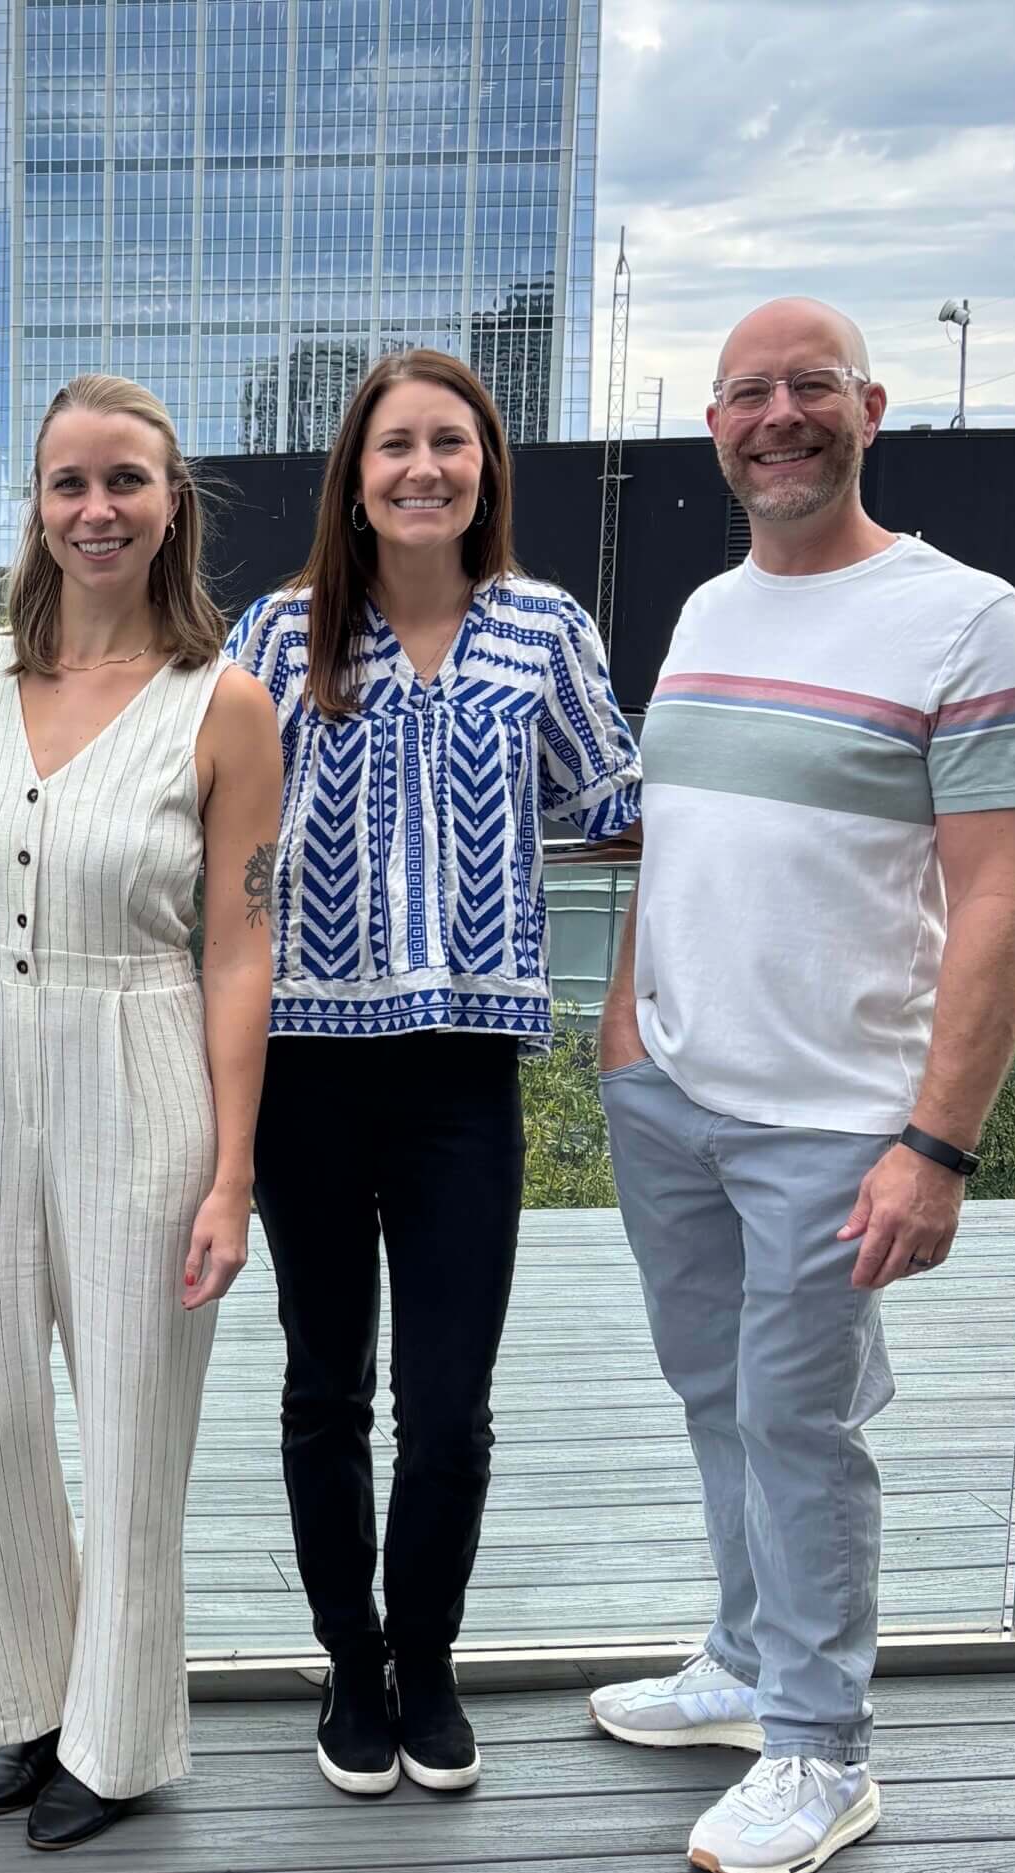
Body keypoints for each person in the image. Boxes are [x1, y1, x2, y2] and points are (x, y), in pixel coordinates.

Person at [590, 299, 1015, 1873]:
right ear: (714, 426)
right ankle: (741, 1659)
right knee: (717, 1399)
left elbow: (1000, 901)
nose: (777, 416)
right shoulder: (713, 604)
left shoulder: (968, 619)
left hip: (835, 1118)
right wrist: (624, 1033)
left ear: (870, 407)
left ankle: (820, 1747)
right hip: (673, 1095)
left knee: (801, 1424)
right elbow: (680, 837)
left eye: (808, 389)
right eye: (747, 394)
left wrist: (936, 1144)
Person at [224, 349, 642, 1799]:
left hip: (465, 1076)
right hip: (304, 1072)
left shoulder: (543, 629)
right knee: (325, 1388)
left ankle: (431, 1659)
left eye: (449, 444)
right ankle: (351, 1664)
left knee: (450, 1399)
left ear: (485, 469)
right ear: (354, 473)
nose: (422, 468)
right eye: (394, 445)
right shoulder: (276, 639)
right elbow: (205, 829)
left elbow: (619, 796)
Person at [0, 375, 277, 1850]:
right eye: (68, 483)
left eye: (125, 480)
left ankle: (119, 1744)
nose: (96, 509)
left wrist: (232, 1173)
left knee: (133, 1424)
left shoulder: (227, 700)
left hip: (144, 1053)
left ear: (171, 499)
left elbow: (243, 943)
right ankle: (25, 1698)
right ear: (37, 507)